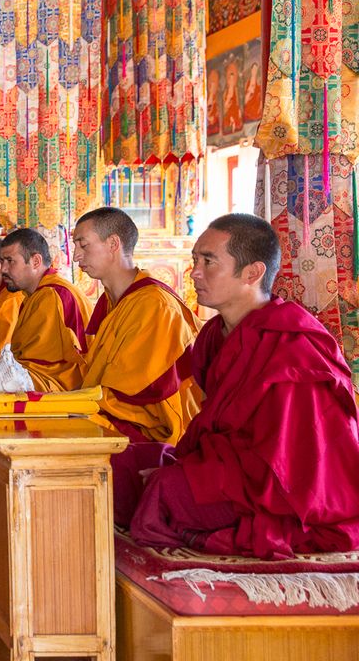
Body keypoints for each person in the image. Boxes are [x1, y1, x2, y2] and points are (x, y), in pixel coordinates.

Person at [119, 214, 359, 559]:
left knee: (162, 490)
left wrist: (191, 475)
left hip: (278, 490)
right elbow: (217, 426)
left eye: (208, 261)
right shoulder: (213, 335)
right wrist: (192, 466)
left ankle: (202, 528)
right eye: (194, 260)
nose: (195, 272)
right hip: (228, 465)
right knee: (120, 464)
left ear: (252, 273)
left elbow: (291, 464)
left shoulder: (292, 346)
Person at [73, 207, 201, 444]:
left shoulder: (153, 305)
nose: (76, 256)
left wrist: (68, 406)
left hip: (152, 432)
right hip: (111, 412)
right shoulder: (112, 301)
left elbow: (132, 396)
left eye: (83, 245)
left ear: (113, 243)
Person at [0, 228, 90, 391]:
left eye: (10, 261)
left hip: (66, 389)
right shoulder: (35, 295)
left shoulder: (51, 294)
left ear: (35, 261)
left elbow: (40, 367)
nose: (3, 269)